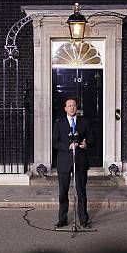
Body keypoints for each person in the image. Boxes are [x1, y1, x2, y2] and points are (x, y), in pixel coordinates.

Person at [52, 96, 93, 228]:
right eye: (69, 106)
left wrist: (86, 144)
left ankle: (83, 220)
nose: (72, 108)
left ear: (77, 108)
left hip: (80, 161)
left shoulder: (84, 122)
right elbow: (55, 142)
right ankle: (62, 219)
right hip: (64, 162)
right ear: (65, 108)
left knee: (81, 192)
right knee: (63, 192)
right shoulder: (59, 123)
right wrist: (68, 147)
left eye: (74, 106)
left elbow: (92, 139)